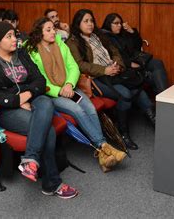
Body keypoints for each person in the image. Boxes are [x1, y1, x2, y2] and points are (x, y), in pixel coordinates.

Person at [0, 22, 78, 198]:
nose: (15, 39)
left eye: (14, 35)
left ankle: (30, 160)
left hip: (32, 99)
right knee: (50, 131)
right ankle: (51, 183)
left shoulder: (21, 54)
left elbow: (39, 80)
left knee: (46, 102)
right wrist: (15, 100)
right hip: (6, 110)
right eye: (9, 36)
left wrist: (27, 94)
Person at [26, 18, 126, 172]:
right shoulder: (31, 51)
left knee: (90, 108)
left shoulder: (60, 44)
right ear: (39, 33)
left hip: (70, 87)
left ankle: (103, 153)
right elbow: (38, 78)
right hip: (51, 93)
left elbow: (73, 67)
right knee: (77, 110)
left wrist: (68, 85)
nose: (53, 32)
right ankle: (104, 147)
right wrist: (59, 90)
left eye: (53, 28)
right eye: (48, 30)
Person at [66, 9, 155, 150]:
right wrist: (104, 70)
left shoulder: (98, 35)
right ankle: (123, 134)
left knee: (136, 87)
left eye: (91, 21)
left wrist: (117, 65)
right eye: (86, 21)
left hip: (114, 71)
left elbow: (114, 51)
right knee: (125, 94)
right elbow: (80, 65)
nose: (90, 24)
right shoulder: (73, 41)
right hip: (98, 77)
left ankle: (154, 120)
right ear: (78, 24)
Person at [101, 13, 168, 96]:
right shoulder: (105, 37)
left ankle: (163, 97)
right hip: (126, 64)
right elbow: (113, 55)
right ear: (108, 24)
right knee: (152, 76)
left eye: (120, 23)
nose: (119, 26)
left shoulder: (122, 34)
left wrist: (131, 32)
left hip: (136, 59)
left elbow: (138, 45)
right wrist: (129, 64)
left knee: (157, 63)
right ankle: (163, 98)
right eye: (116, 23)